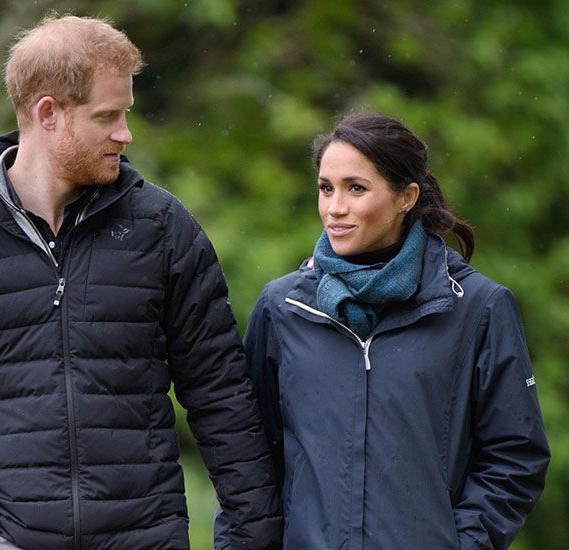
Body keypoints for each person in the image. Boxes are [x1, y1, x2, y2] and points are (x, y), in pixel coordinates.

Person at [0, 14, 281, 550]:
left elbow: (222, 395)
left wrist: (255, 540)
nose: (125, 134)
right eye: (107, 116)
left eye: (125, 114)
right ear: (48, 113)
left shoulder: (161, 227)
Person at [214, 112, 550, 549]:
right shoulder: (284, 308)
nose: (335, 207)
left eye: (356, 188)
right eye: (325, 188)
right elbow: (248, 461)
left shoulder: (479, 308)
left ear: (406, 196)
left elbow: (515, 457)